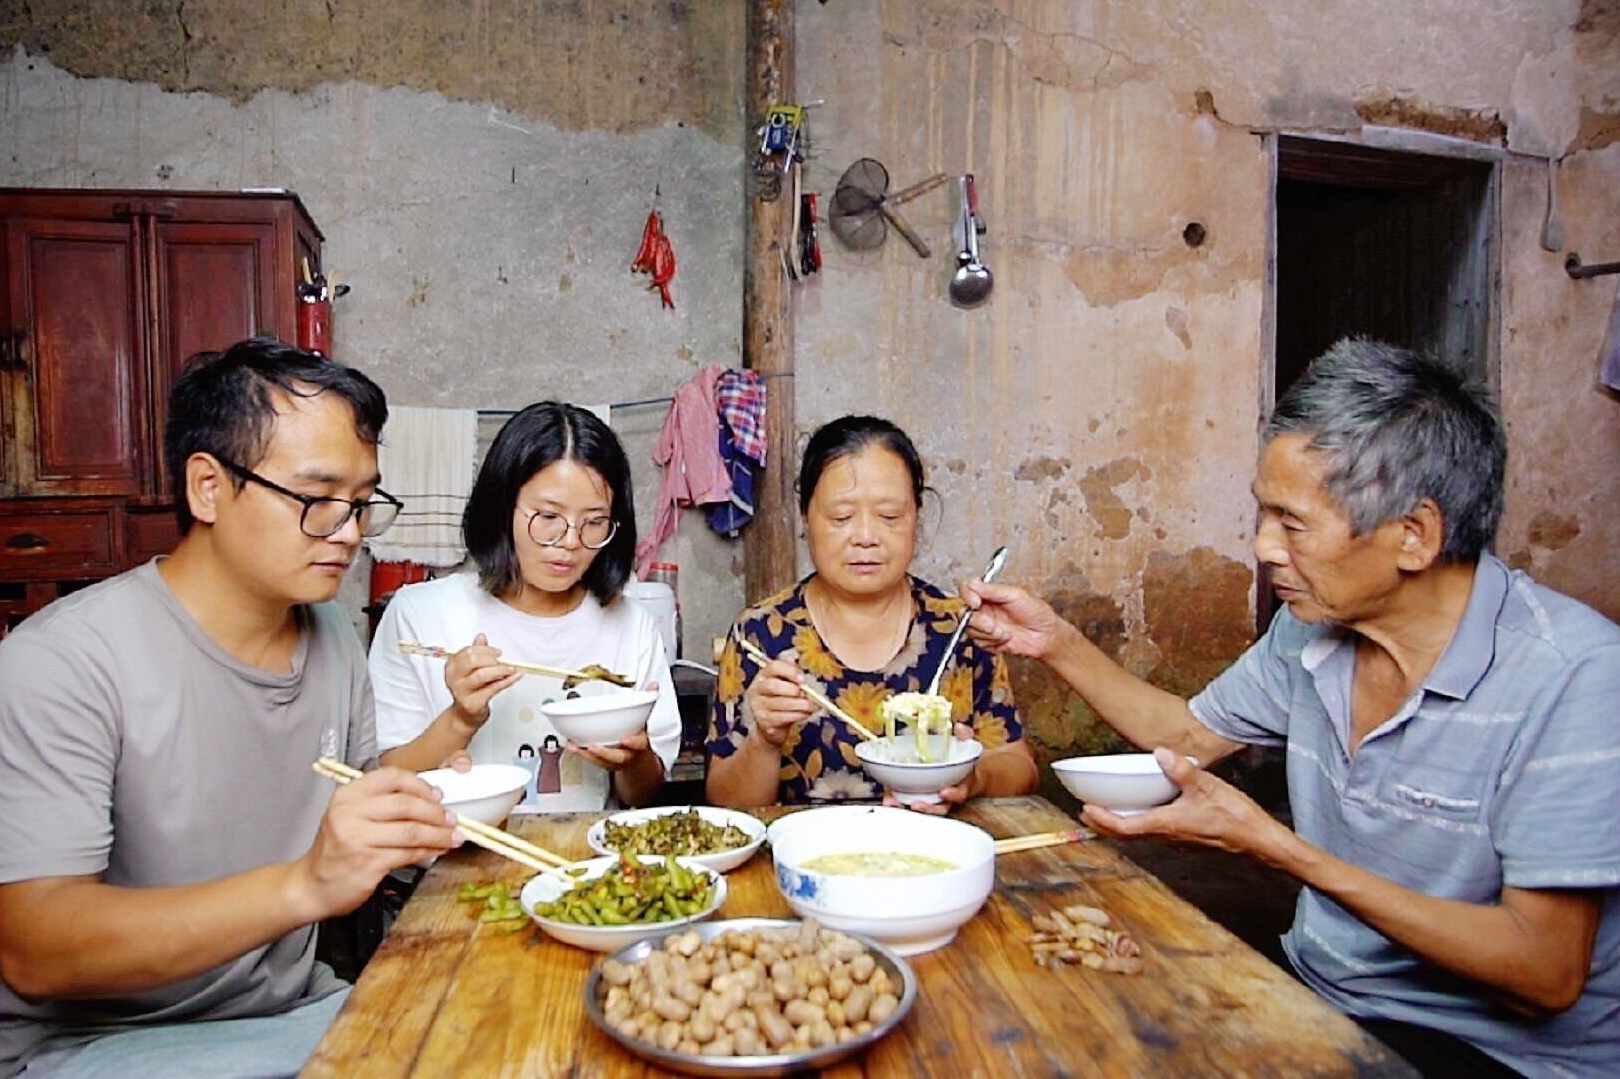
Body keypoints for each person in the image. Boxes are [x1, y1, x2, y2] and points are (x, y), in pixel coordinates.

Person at [962, 340, 1620, 1076]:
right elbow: (1188, 735)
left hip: (1496, 1053)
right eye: (1261, 514)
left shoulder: (1574, 676)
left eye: (1291, 522)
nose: (1262, 546)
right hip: (1322, 993)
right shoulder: (1310, 633)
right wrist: (1057, 642)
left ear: (1415, 535)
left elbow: (1544, 974)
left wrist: (1275, 847)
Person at [0, 338, 466, 1078]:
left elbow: (348, 800)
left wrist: (411, 804)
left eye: (362, 502)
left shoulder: (333, 634)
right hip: (95, 1044)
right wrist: (304, 884)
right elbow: (33, 948)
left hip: (289, 1012)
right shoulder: (64, 660)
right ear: (208, 487)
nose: (347, 532)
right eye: (316, 499)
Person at [707, 415, 1038, 809]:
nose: (865, 537)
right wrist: (764, 739)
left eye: (890, 517)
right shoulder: (760, 636)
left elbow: (1020, 768)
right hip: (805, 861)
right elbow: (724, 805)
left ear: (918, 515)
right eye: (841, 518)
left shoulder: (960, 628)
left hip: (937, 858)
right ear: (805, 518)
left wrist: (974, 776)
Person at [369, 401, 678, 811]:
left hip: (586, 866)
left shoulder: (631, 624)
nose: (569, 541)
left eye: (594, 522)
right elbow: (383, 783)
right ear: (502, 506)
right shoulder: (420, 616)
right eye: (548, 516)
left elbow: (643, 795)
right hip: (451, 865)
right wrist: (461, 719)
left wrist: (635, 758)